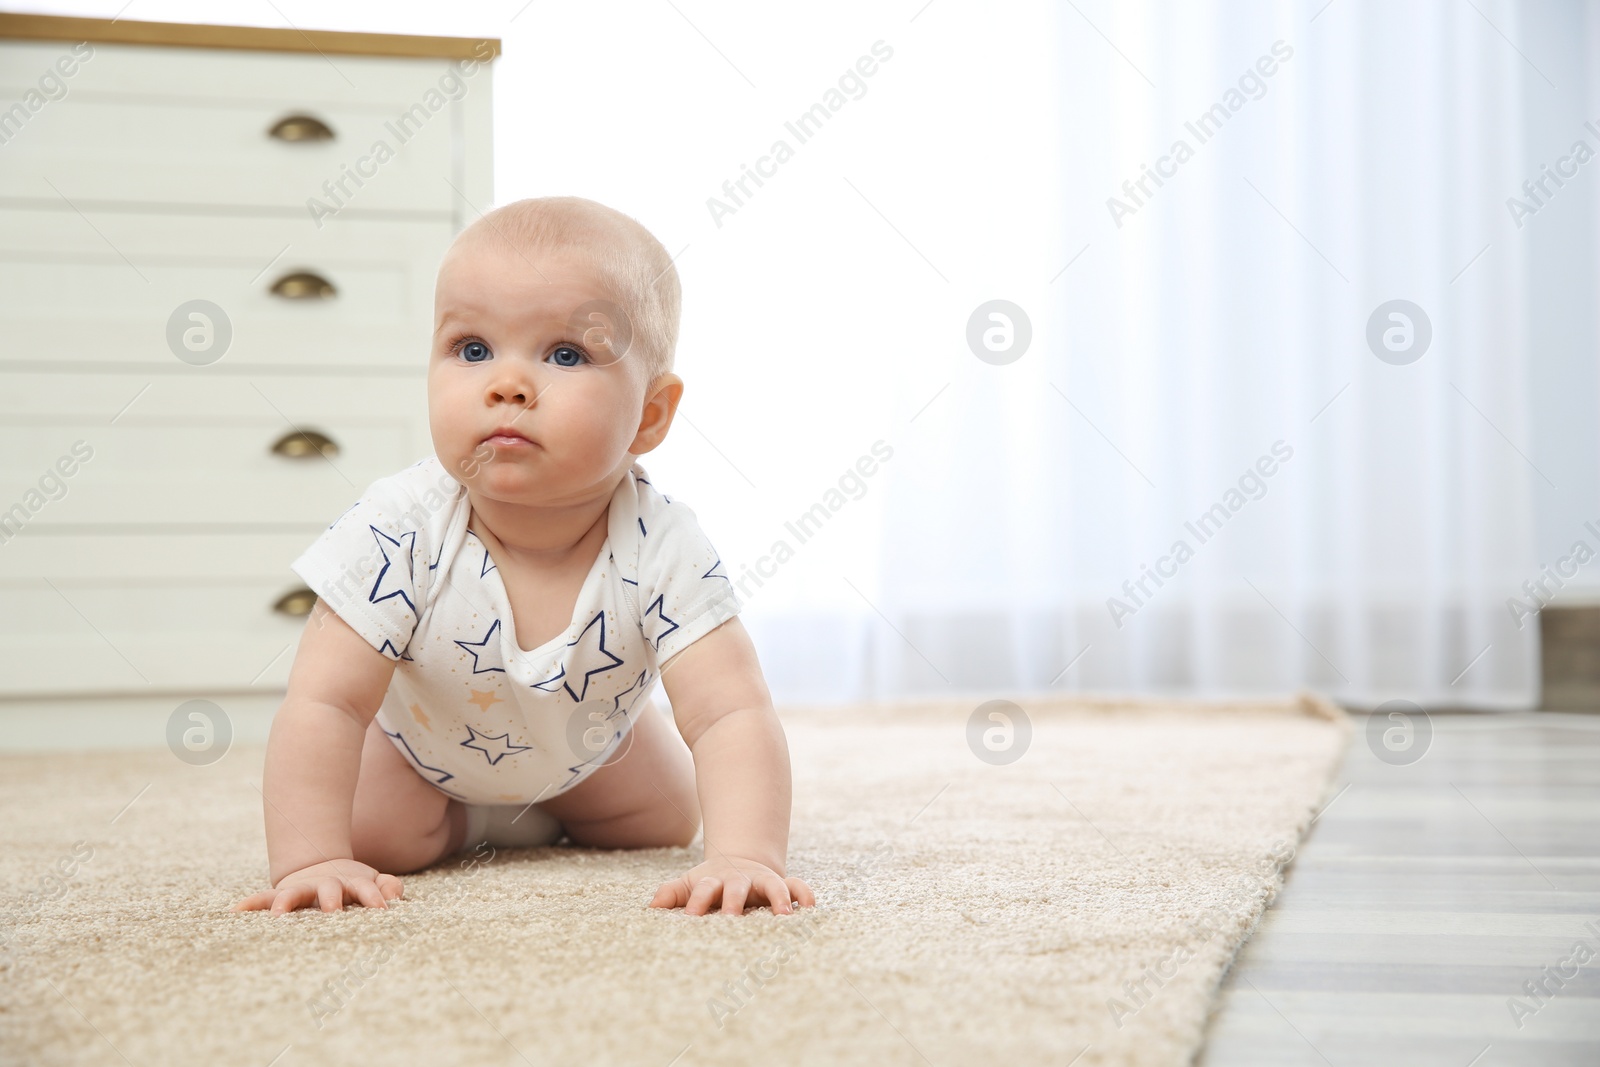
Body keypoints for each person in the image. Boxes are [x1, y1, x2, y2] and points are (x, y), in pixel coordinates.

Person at [233, 197, 814, 918]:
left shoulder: (663, 544)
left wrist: (746, 856)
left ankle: (557, 798)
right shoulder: (399, 529)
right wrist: (311, 857)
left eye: (566, 354)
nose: (505, 384)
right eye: (472, 349)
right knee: (375, 830)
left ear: (651, 415)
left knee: (668, 818)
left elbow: (731, 711)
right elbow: (324, 699)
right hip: (424, 757)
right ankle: (474, 822)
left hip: (586, 747)